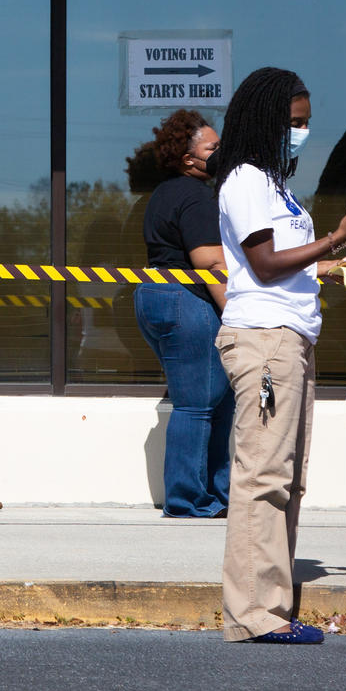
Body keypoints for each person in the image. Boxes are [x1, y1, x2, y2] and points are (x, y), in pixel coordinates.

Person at [209, 66, 346, 646]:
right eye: (294, 123)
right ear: (266, 121)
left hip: (290, 338)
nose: (301, 133)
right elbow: (262, 265)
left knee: (287, 478)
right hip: (264, 341)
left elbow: (286, 259)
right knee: (263, 478)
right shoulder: (247, 180)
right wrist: (335, 236)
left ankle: (272, 609)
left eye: (306, 123)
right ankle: (253, 616)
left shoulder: (274, 185)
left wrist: (332, 264)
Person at [134, 110, 231, 518]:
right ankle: (188, 500)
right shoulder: (194, 196)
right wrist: (235, 310)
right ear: (189, 159)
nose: (221, 152)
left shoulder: (165, 193)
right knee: (199, 403)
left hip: (156, 296)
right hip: (185, 298)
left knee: (212, 399)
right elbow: (209, 259)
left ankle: (217, 493)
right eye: (213, 148)